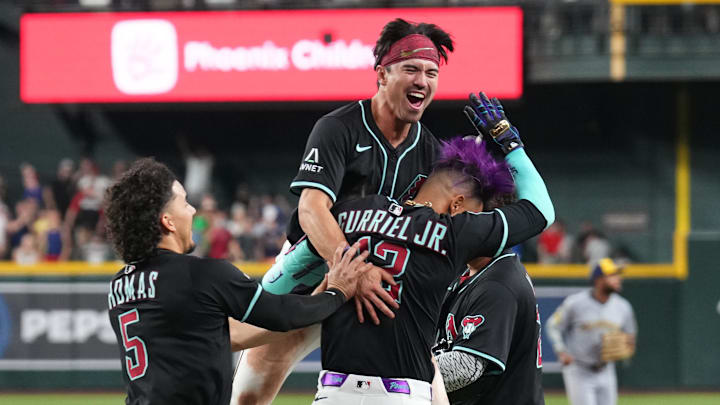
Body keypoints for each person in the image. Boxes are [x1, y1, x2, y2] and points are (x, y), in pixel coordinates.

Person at [235, 91, 555, 404]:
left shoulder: (353, 215)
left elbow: (283, 282)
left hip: (336, 391)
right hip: (404, 391)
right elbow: (540, 209)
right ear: (458, 204)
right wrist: (509, 142)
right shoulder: (455, 233)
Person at [232, 18, 456, 404]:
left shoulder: (431, 152)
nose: (423, 80)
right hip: (311, 272)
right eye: (411, 69)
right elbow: (311, 208)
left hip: (383, 282)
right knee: (246, 397)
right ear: (382, 74)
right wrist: (354, 268)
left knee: (433, 395)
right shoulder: (338, 128)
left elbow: (433, 228)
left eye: (431, 72)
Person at [104, 158, 369, 405]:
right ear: (167, 222)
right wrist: (336, 292)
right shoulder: (200, 275)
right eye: (184, 203)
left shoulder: (119, 287)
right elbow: (280, 314)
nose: (193, 209)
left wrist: (314, 303)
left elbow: (227, 335)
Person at [433, 217, 544, 404]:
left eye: (462, 221)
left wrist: (404, 372)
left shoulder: (498, 284)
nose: (451, 228)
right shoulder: (472, 271)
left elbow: (466, 367)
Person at [546, 258, 637, 405]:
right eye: (612, 275)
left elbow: (630, 336)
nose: (618, 279)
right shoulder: (575, 303)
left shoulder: (623, 306)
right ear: (598, 279)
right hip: (579, 369)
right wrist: (561, 351)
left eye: (617, 275)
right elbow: (552, 325)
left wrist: (626, 346)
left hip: (606, 369)